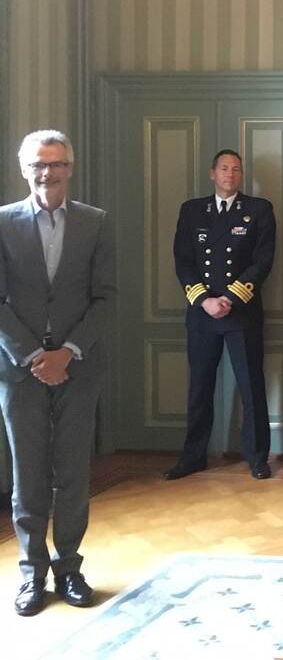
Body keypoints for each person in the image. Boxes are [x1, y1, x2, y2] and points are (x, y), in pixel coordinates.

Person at [0, 130, 115, 616]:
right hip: (19, 369)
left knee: (71, 472)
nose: (47, 173)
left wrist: (66, 352)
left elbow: (105, 297)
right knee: (27, 475)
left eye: (56, 164)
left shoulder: (95, 222)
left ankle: (69, 568)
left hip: (78, 367)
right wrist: (33, 356)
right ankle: (32, 574)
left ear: (70, 167)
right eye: (38, 164)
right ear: (24, 169)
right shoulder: (2, 222)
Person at [167, 149, 276, 480]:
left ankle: (257, 458)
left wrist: (229, 298)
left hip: (240, 313)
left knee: (251, 388)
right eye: (225, 168)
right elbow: (183, 261)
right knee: (199, 389)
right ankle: (193, 456)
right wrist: (204, 300)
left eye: (236, 169)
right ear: (212, 173)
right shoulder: (192, 211)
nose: (231, 174)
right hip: (203, 314)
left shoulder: (258, 210)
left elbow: (263, 261)